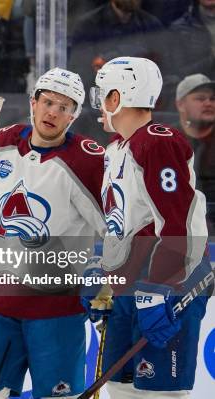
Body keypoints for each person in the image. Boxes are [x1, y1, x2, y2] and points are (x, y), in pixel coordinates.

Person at [0, 68, 107, 399]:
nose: (53, 112)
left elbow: (114, 229)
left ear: (74, 115)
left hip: (58, 309)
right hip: (1, 304)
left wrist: (100, 274)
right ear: (33, 102)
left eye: (65, 106)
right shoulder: (2, 144)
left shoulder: (87, 161)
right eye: (48, 102)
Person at [88, 56, 211, 398]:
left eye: (102, 94)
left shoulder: (157, 142)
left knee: (159, 394)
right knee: (119, 387)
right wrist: (106, 279)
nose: (98, 103)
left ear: (118, 97)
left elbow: (179, 224)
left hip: (164, 290)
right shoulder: (116, 150)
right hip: (129, 292)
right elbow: (123, 226)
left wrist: (157, 289)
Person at [175, 73, 215, 230]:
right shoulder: (165, 140)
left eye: (213, 99)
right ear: (180, 105)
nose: (208, 103)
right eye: (200, 98)